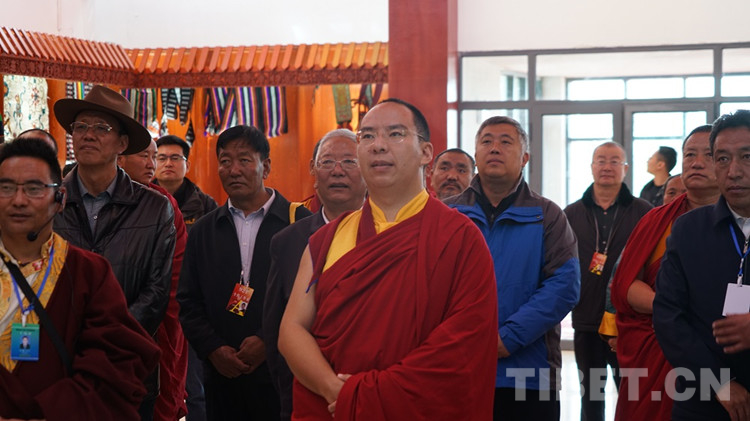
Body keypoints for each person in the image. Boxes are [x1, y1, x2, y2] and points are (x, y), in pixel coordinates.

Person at [279, 99, 497, 420]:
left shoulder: (460, 238)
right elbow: (292, 329)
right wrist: (336, 391)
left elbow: (464, 345)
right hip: (333, 407)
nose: (378, 145)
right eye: (367, 136)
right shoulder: (327, 239)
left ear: (426, 153)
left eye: (395, 134)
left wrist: (365, 395)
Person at [0, 136, 160, 420]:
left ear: (60, 199)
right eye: (6, 188)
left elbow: (114, 364)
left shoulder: (88, 272)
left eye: (34, 189)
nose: (19, 200)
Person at [52, 85, 177, 420]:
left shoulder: (154, 207)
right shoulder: (50, 202)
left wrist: (102, 343)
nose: (88, 135)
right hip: (57, 364)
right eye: (81, 126)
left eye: (101, 127)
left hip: (126, 367)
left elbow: (156, 293)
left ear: (122, 144)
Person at [445, 115, 580, 421]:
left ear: (524, 158)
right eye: (486, 141)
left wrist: (508, 339)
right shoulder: (448, 213)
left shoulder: (546, 215)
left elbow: (564, 285)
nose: (495, 148)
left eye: (506, 142)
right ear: (476, 155)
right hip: (457, 366)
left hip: (529, 372)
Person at [177, 125, 311, 420]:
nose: (233, 170)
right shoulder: (203, 230)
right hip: (222, 378)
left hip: (283, 373)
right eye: (225, 161)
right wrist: (214, 349)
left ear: (266, 167)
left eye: (244, 160)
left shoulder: (300, 223)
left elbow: (311, 296)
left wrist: (268, 341)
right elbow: (188, 300)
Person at [610, 125, 719, 421]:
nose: (696, 163)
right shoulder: (655, 220)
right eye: (689, 155)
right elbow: (624, 286)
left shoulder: (740, 221)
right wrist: (673, 314)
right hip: (654, 344)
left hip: (717, 348)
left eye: (709, 155)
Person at [263, 128, 367, 421]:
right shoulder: (288, 241)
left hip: (370, 388)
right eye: (327, 162)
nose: (337, 171)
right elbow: (274, 327)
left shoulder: (388, 233)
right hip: (303, 393)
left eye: (349, 162)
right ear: (313, 169)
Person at [654, 111, 750, 420]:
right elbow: (668, 315)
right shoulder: (688, 229)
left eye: (747, 157)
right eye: (722, 159)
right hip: (702, 399)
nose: (733, 171)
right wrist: (718, 382)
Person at [564, 142, 652, 421]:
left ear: (625, 169)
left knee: (632, 395)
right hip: (586, 317)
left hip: (629, 319)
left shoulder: (644, 212)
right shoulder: (571, 213)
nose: (607, 166)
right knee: (590, 395)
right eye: (601, 160)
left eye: (615, 161)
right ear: (592, 167)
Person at [119, 139, 190, 421]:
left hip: (155, 323)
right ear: (119, 158)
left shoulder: (163, 205)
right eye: (144, 156)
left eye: (154, 156)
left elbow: (173, 281)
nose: (152, 165)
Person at [154, 134, 217, 421]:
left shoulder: (205, 205)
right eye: (161, 157)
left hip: (193, 307)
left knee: (195, 387)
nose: (168, 163)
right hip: (155, 304)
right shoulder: (143, 199)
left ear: (187, 165)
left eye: (175, 158)